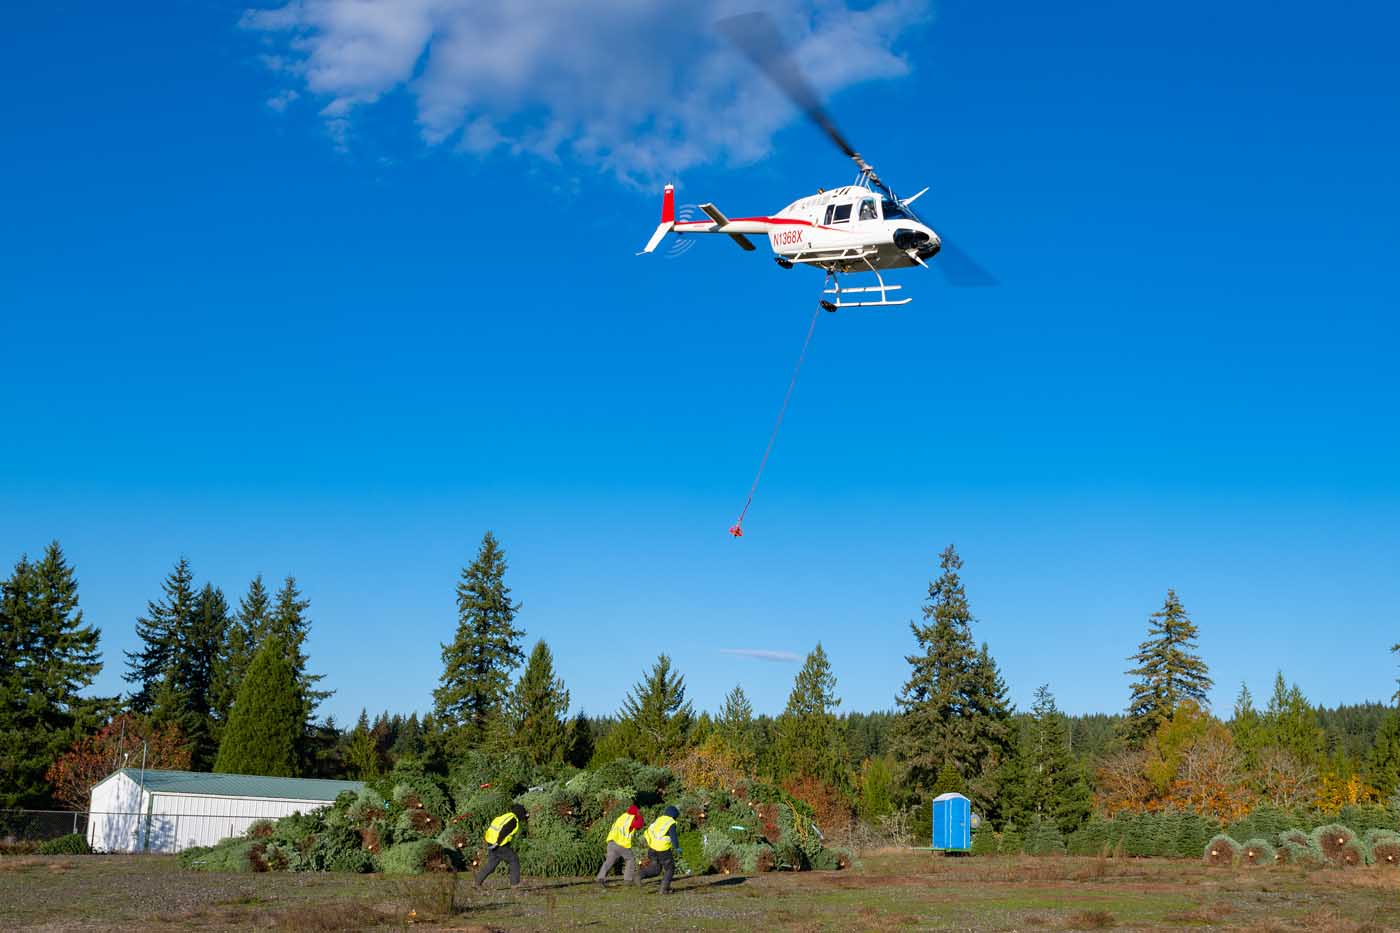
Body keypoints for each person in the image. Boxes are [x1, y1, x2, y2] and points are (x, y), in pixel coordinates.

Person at [474, 803, 527, 888]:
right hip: (499, 844)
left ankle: (477, 882)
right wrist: (497, 843)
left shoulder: (506, 816)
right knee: (514, 860)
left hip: (491, 841)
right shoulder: (513, 820)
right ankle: (515, 884)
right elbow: (504, 831)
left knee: (492, 863)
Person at [595, 804, 644, 887]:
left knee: (609, 861)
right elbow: (639, 825)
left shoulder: (622, 817)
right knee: (630, 859)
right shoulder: (631, 818)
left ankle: (600, 878)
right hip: (622, 844)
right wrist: (639, 817)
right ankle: (628, 880)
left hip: (611, 842)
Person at [638, 805, 681, 894]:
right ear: (674, 815)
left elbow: (649, 831)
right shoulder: (671, 822)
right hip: (662, 850)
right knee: (670, 869)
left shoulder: (659, 820)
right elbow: (673, 837)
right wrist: (677, 847)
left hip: (652, 848)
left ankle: (638, 876)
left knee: (656, 869)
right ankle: (664, 889)